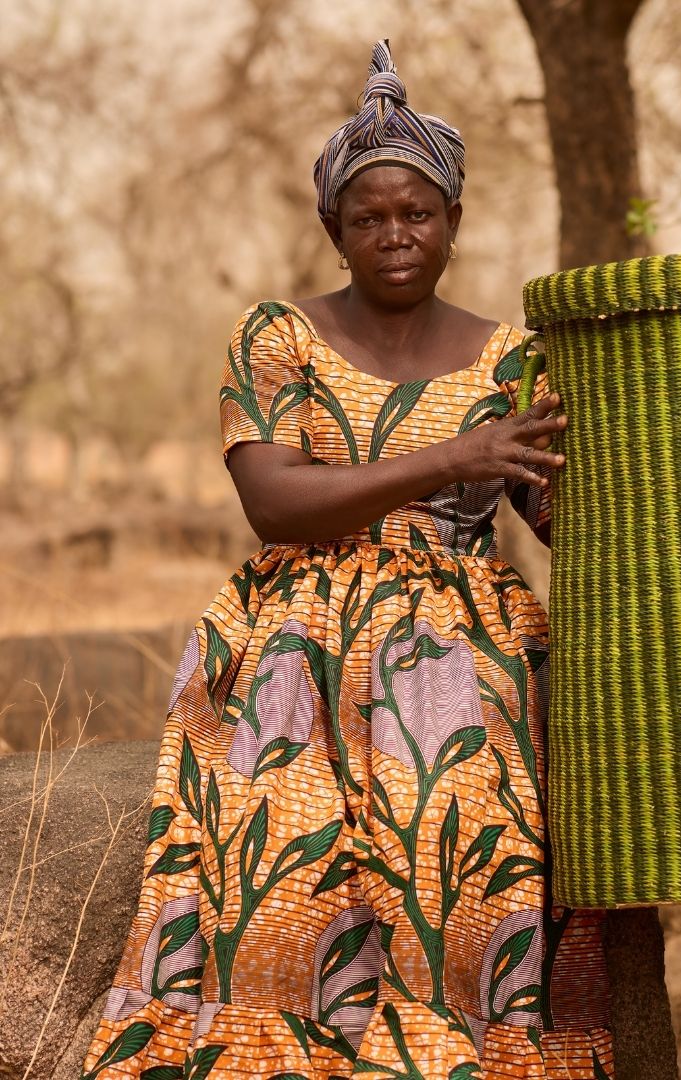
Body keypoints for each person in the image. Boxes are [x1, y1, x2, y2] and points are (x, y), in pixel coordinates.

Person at [82, 40, 614, 1080]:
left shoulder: (514, 355)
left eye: (417, 213)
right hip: (297, 652)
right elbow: (274, 501)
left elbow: (555, 516)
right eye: (368, 218)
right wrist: (455, 455)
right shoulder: (279, 335)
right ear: (334, 231)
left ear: (455, 219)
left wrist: (582, 486)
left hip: (465, 652)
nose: (396, 235)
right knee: (281, 864)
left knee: (474, 854)